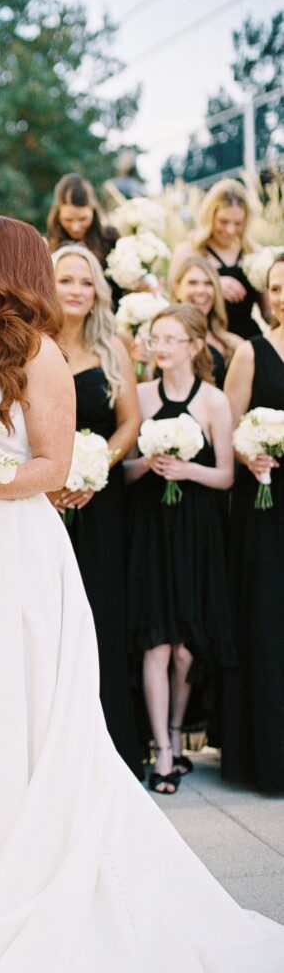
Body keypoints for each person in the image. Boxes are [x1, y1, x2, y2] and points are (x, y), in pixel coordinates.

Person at [0, 222, 284, 970]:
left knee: (3, 707)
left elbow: (52, 467)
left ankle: (3, 873)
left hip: (6, 550)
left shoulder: (35, 353)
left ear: (6, 265)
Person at [124, 305, 235, 794]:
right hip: (152, 529)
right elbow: (124, 471)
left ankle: (176, 732)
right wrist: (148, 463)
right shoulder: (141, 395)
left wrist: (188, 470)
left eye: (172, 339)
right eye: (156, 339)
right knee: (156, 644)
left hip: (195, 532)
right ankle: (163, 752)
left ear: (195, 346)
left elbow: (226, 475)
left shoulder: (213, 401)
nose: (161, 348)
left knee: (186, 650)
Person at [50, 244, 142, 777]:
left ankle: (111, 752)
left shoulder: (113, 349)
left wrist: (92, 469)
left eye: (86, 282)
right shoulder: (31, 342)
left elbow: (129, 422)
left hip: (101, 503)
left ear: (98, 291)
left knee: (101, 612)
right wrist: (54, 476)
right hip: (45, 502)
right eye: (66, 280)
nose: (77, 290)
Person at [222, 254, 284, 794]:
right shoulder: (251, 352)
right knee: (268, 620)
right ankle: (267, 758)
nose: (282, 297)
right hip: (266, 504)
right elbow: (230, 429)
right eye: (276, 288)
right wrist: (249, 453)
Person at [168, 178, 268, 339]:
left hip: (247, 338)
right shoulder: (187, 251)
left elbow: (268, 313)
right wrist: (213, 284)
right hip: (202, 339)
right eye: (223, 221)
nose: (230, 230)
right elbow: (173, 302)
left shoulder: (256, 254)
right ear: (210, 216)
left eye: (238, 223)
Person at [45, 173, 122, 304]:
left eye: (83, 219)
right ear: (58, 215)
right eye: (68, 220)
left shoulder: (110, 239)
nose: (75, 227)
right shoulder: (49, 245)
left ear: (93, 211)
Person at [171, 254, 242, 389]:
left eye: (208, 283)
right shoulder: (160, 338)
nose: (201, 291)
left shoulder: (233, 344)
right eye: (193, 283)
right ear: (177, 289)